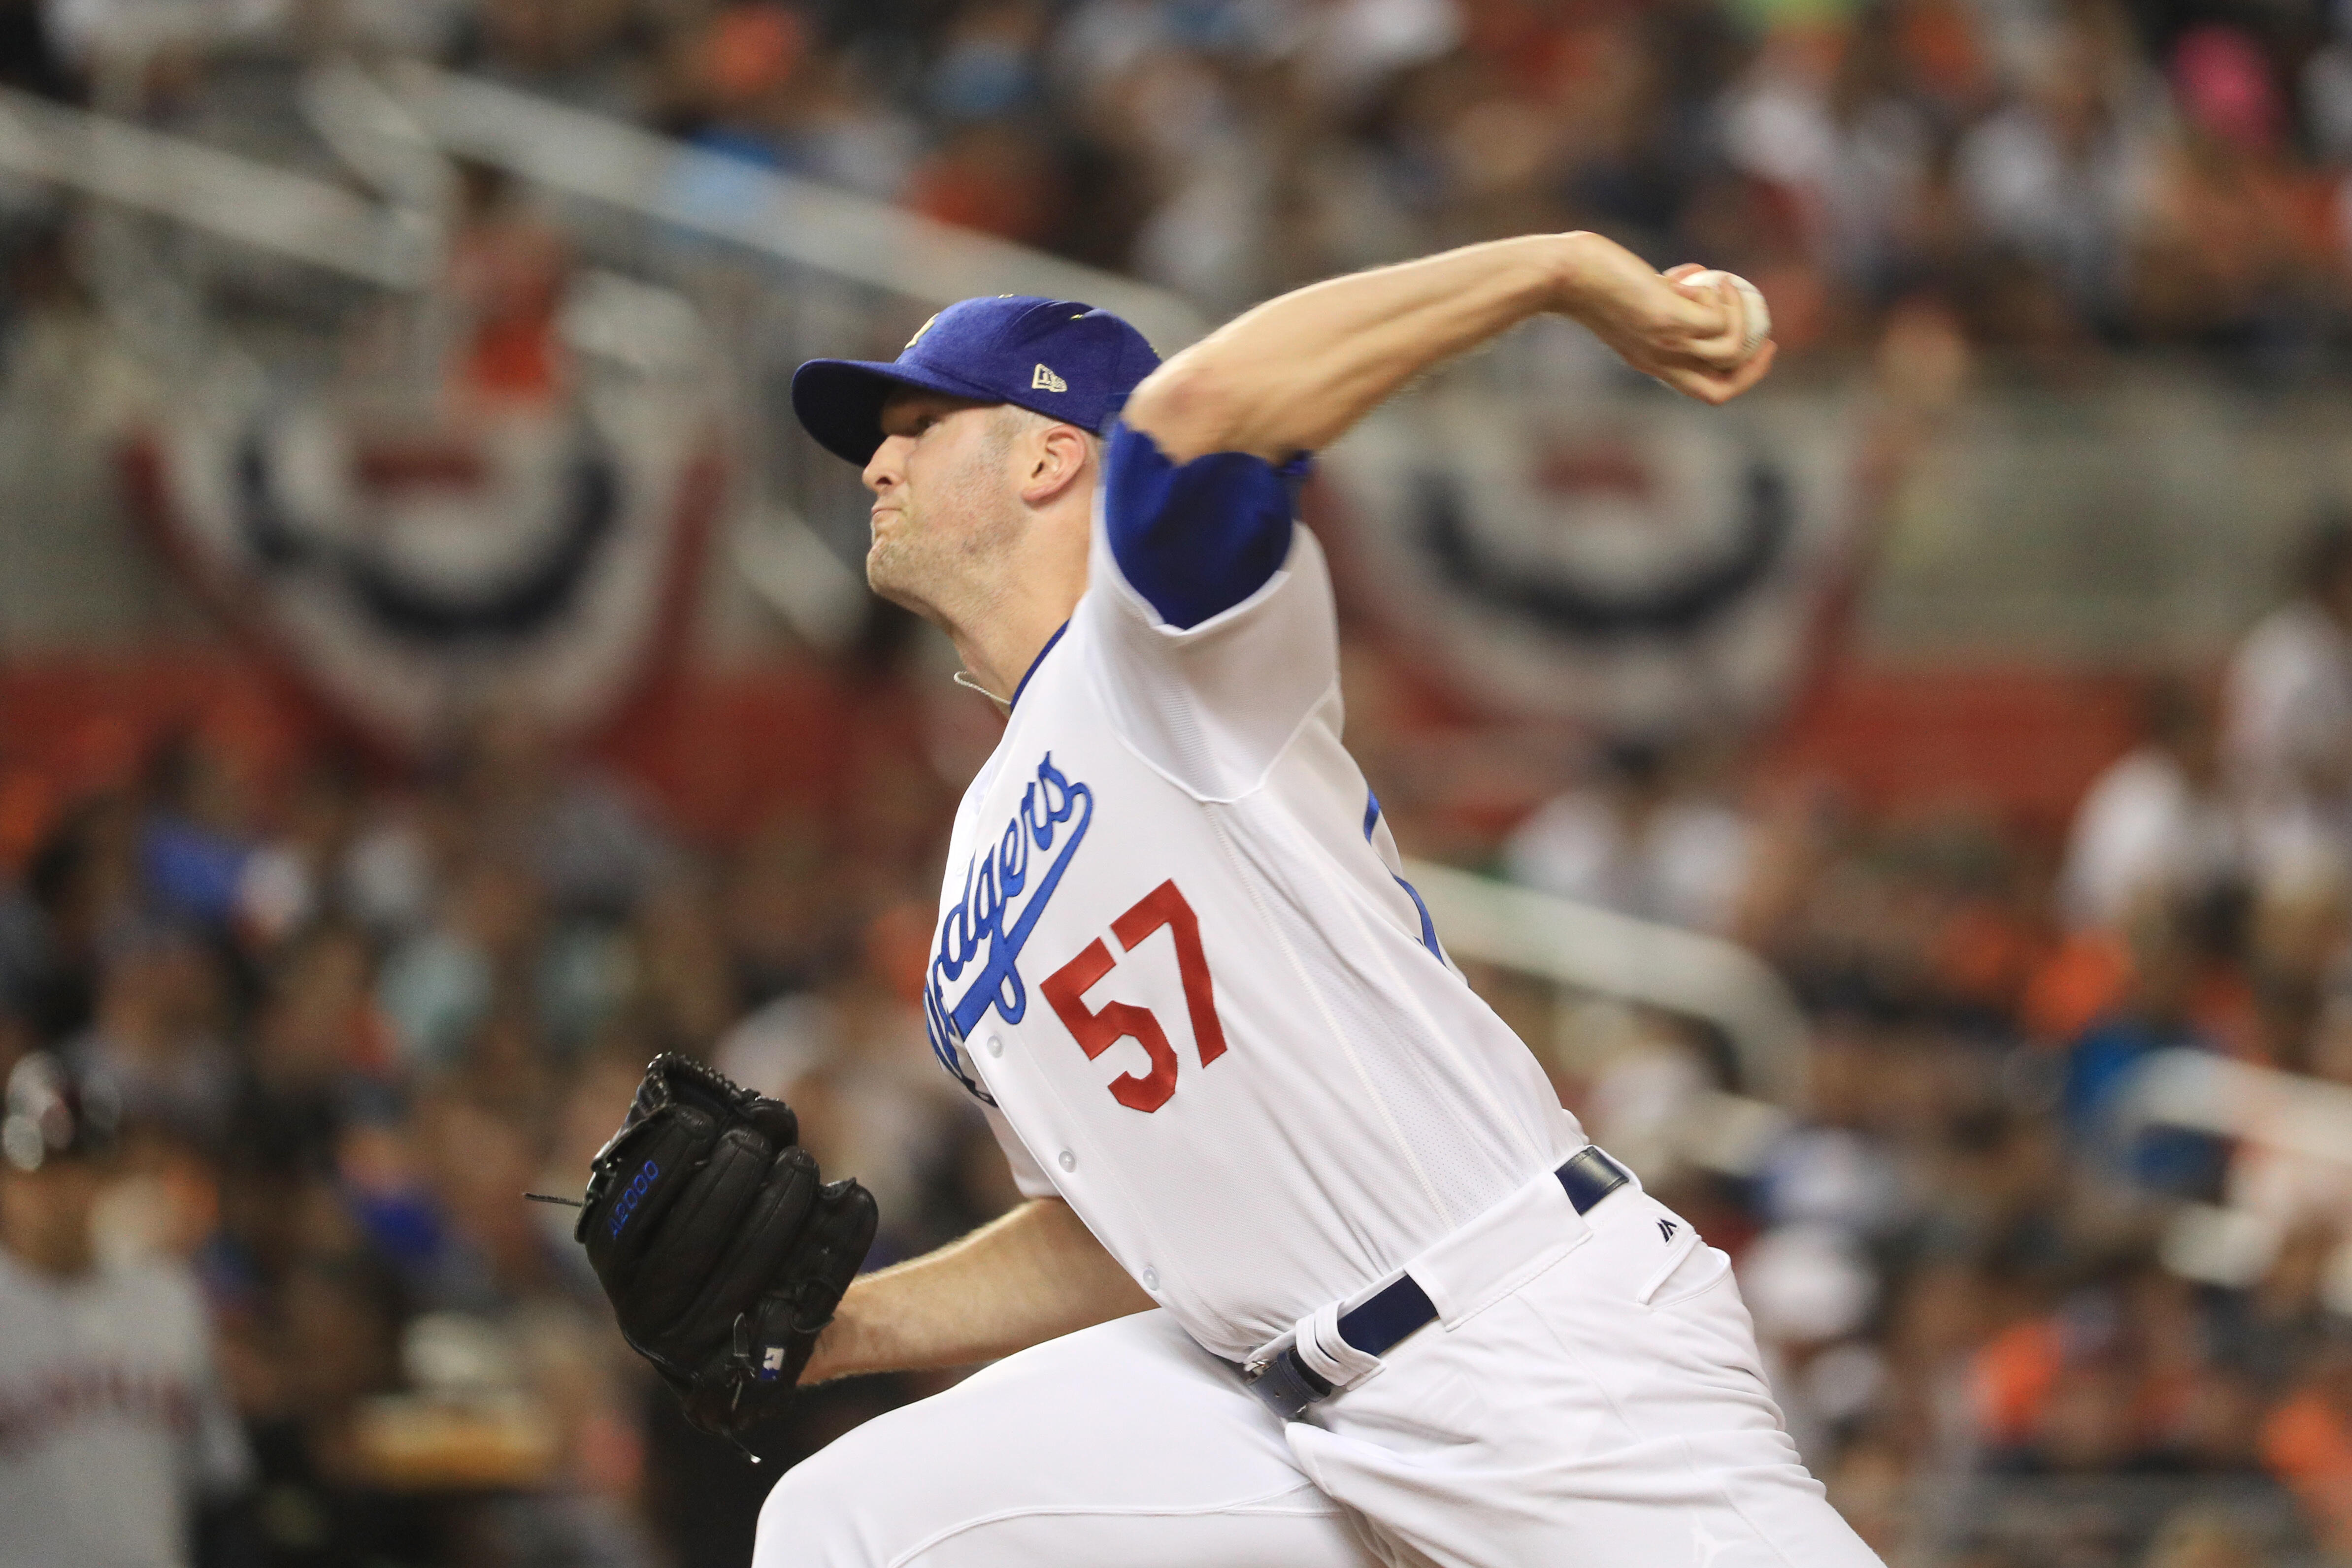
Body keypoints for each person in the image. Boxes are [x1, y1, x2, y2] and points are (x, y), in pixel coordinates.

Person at [758, 233, 1879, 1567]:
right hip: (1279, 1414)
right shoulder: (966, 878)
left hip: (1523, 1348)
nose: (874, 464)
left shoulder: (1159, 645)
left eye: (917, 425)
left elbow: (1190, 416)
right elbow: (1130, 1235)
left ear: (1050, 452)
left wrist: (1564, 273)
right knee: (841, 1527)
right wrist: (839, 1330)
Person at [0, 1052, 252, 1568]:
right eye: (40, 1170)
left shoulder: (168, 1297)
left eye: (77, 1169)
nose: (60, 1192)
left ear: (104, 1176)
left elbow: (218, 1484)